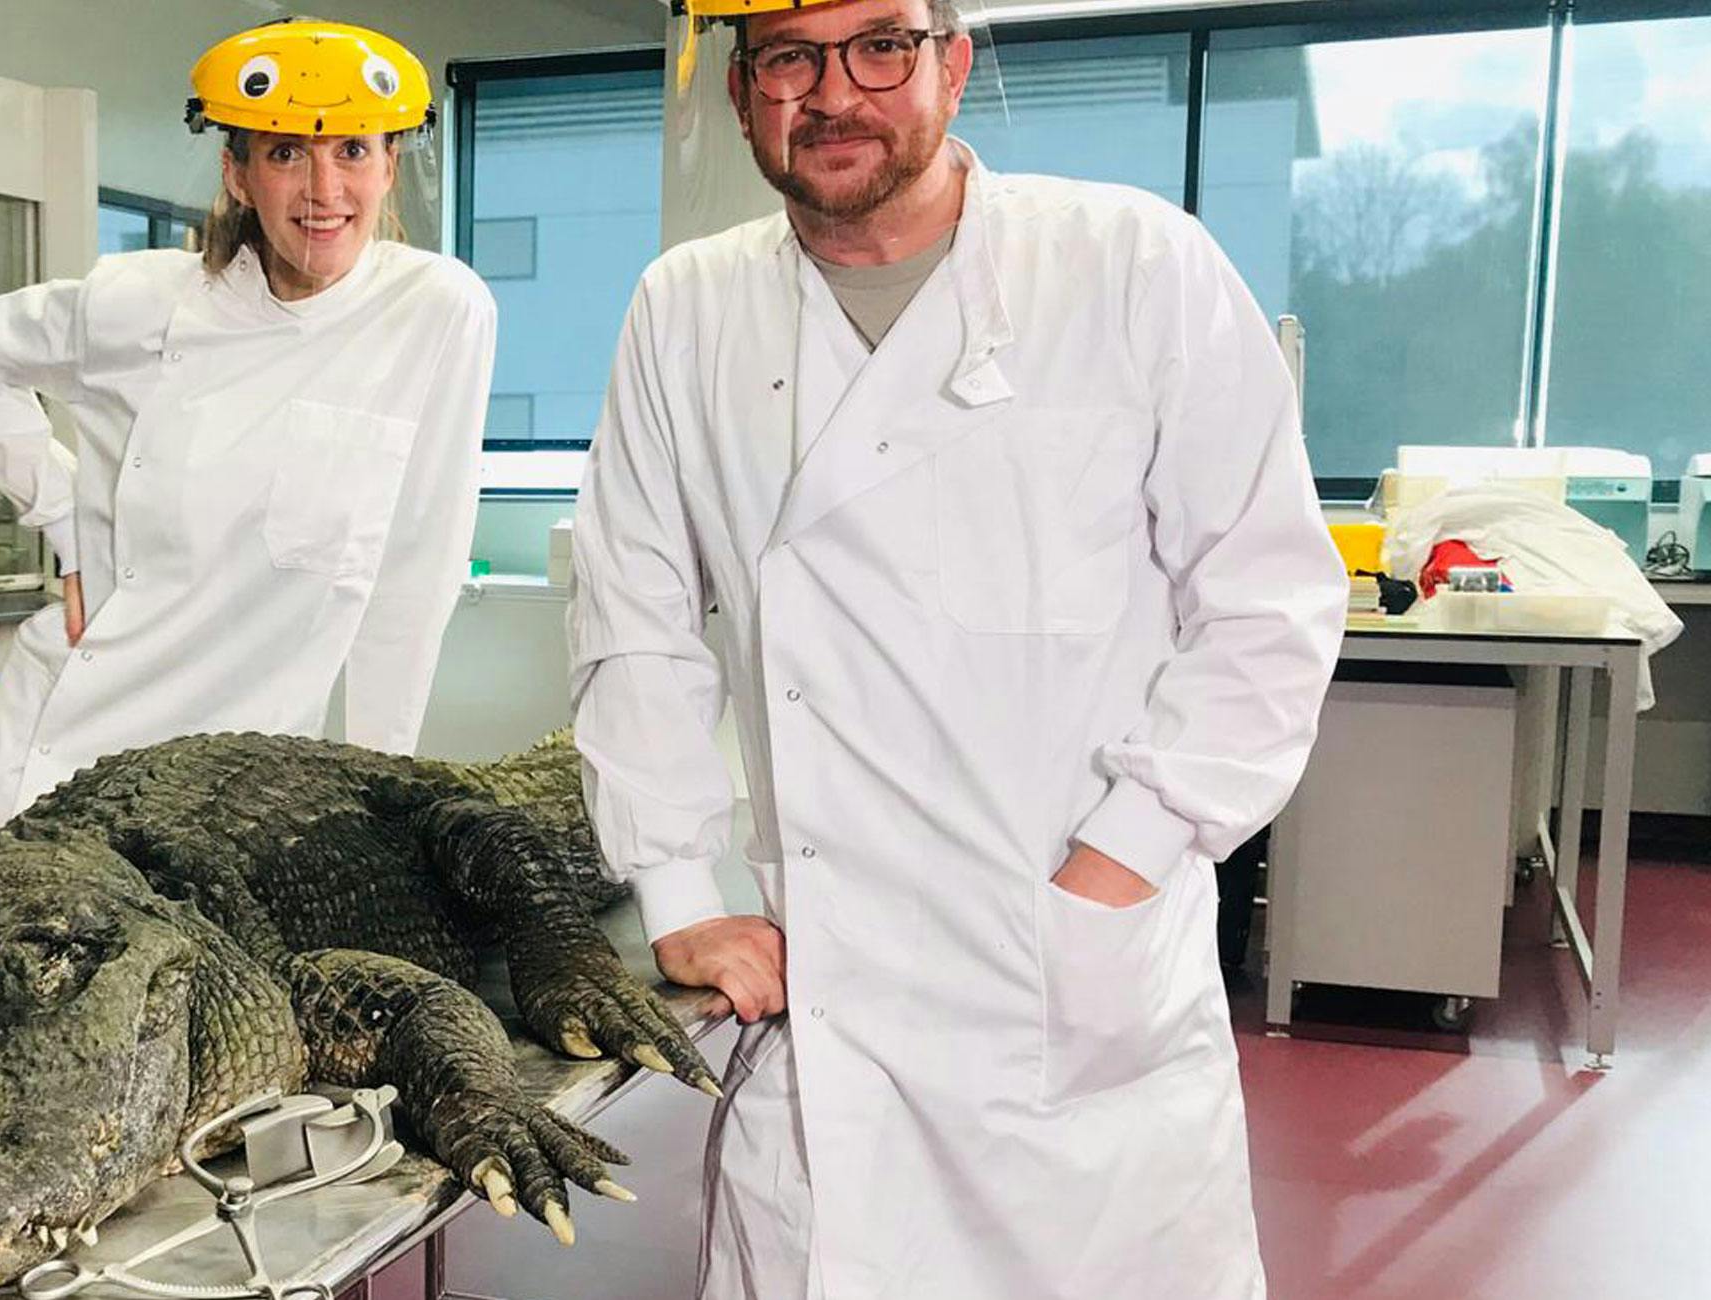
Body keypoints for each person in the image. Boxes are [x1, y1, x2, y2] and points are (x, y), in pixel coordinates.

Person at [567, 0, 1346, 1295]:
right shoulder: (688, 310)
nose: (835, 92)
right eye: (789, 57)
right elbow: (632, 617)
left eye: (880, 45)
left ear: (953, 61)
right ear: (743, 87)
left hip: (1073, 977)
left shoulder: (1133, 268)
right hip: (828, 993)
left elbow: (1267, 607)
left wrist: (1121, 868)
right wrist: (682, 893)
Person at [0, 18, 497, 878]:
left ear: (389, 164)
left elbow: (415, 570)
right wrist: (67, 519)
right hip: (55, 754)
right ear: (238, 172)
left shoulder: (438, 310)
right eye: (287, 153)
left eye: (353, 152)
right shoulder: (142, 302)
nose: (323, 188)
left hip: (228, 794)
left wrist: (378, 793)